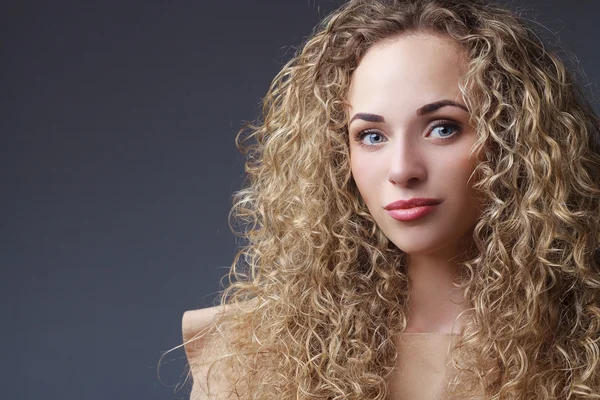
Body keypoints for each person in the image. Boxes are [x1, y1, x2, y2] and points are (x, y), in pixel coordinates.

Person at [178, 0, 600, 398]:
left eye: (443, 128)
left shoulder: (587, 345)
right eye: (372, 136)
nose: (402, 170)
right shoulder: (249, 356)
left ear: (513, 140)